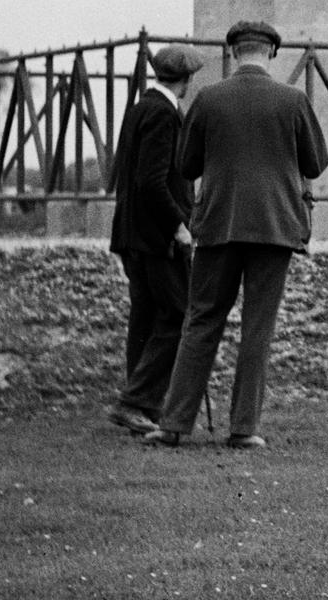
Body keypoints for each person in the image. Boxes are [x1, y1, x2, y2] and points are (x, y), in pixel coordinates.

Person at [144, 20, 328, 449]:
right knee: (257, 329)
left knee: (201, 322)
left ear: (233, 52)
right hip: (275, 228)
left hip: (218, 225)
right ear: (271, 53)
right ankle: (245, 428)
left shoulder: (208, 98)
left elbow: (186, 165)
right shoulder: (293, 100)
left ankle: (173, 423)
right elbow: (315, 163)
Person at [105, 43, 199, 435]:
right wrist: (178, 225)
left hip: (132, 235)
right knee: (178, 316)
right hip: (157, 238)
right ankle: (136, 401)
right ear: (186, 79)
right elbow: (152, 180)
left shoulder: (141, 107)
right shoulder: (163, 114)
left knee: (144, 319)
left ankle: (140, 406)